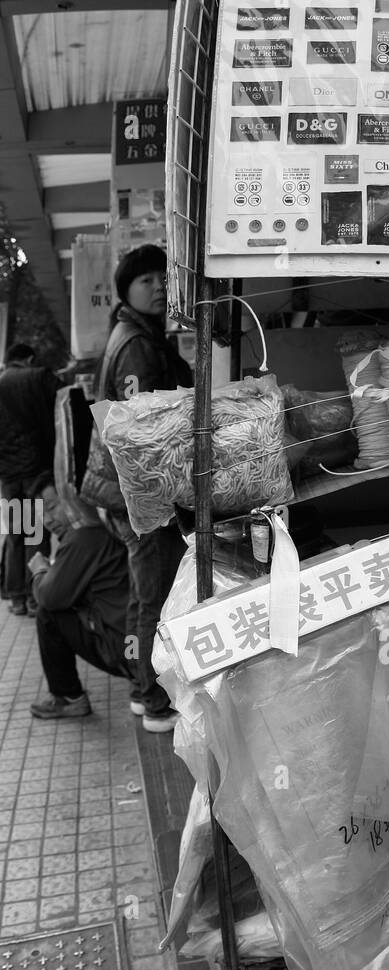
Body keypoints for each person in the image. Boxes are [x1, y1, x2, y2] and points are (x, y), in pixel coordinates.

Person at [81, 244, 192, 733]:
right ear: (126, 287)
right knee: (154, 596)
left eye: (161, 278)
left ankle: (137, 684)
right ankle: (153, 700)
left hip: (121, 494)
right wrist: (163, 497)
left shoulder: (133, 334)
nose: (158, 286)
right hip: (138, 497)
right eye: (145, 279)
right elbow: (140, 428)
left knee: (140, 594)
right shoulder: (137, 345)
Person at [27, 477, 134, 719]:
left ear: (71, 499)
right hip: (137, 645)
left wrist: (39, 572)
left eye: (53, 507)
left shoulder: (84, 537)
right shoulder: (104, 522)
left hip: (129, 652)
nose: (49, 520)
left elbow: (48, 597)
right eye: (41, 513)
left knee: (48, 614)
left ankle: (68, 697)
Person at [0, 342, 57, 615]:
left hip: (9, 478)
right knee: (35, 532)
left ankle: (16, 598)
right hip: (35, 473)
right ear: (29, 358)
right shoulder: (38, 377)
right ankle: (35, 597)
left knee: (15, 534)